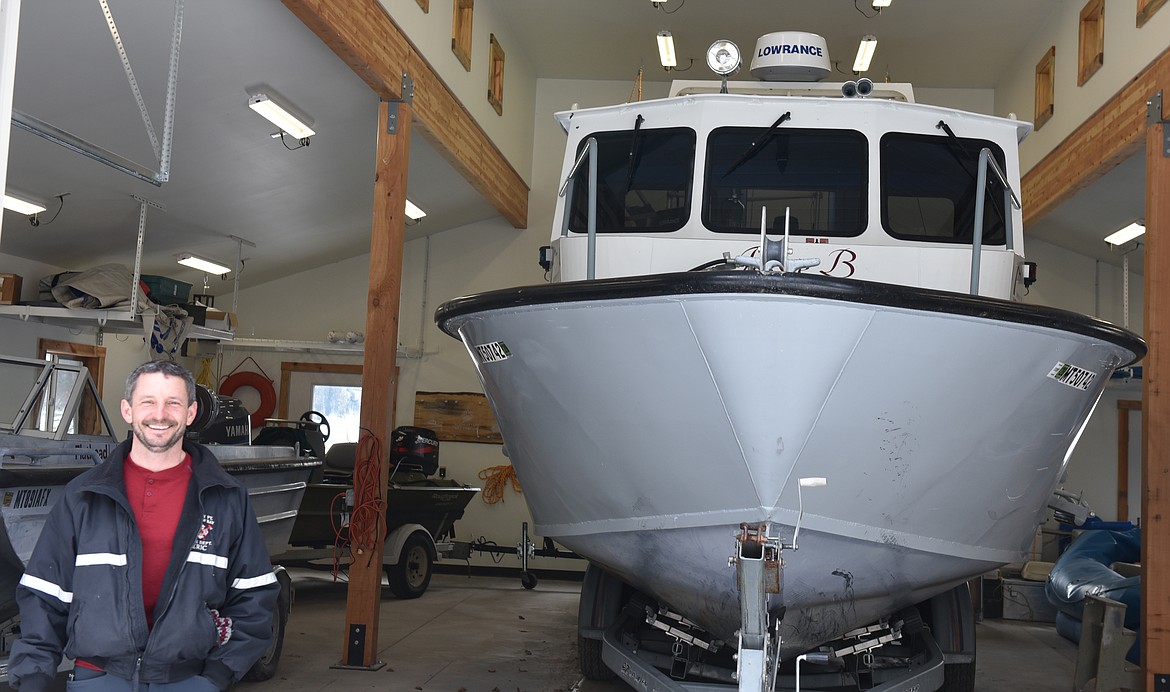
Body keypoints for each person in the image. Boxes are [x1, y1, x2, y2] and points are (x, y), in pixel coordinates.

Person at [8, 360, 279, 691]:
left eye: (173, 403)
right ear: (127, 410)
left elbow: (256, 596)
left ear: (191, 413)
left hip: (189, 680)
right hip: (98, 677)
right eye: (148, 401)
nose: (160, 414)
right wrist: (34, 676)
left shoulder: (226, 498)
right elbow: (44, 594)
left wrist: (218, 674)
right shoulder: (84, 496)